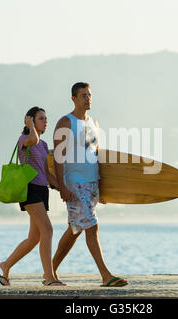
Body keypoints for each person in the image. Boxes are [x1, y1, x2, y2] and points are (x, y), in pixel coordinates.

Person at [51, 82, 129, 287]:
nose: (88, 99)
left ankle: (49, 271)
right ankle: (106, 275)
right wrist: (62, 187)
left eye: (90, 95)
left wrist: (103, 188)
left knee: (75, 229)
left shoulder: (94, 122)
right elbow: (58, 158)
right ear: (74, 99)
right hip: (75, 183)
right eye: (84, 95)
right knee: (92, 227)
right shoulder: (65, 123)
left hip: (92, 183)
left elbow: (97, 154)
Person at [0, 107, 66, 287]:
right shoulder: (25, 139)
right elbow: (33, 139)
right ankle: (49, 277)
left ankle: (6, 265)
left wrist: (62, 188)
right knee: (47, 230)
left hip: (42, 190)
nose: (45, 121)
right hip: (30, 189)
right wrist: (30, 125)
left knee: (34, 238)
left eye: (46, 118)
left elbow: (46, 173)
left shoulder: (43, 144)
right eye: (41, 118)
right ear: (31, 121)